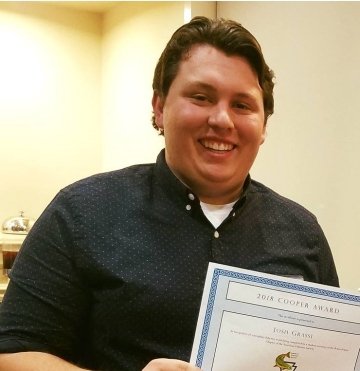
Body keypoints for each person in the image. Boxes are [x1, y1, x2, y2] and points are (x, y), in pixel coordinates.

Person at [0, 16, 338, 371]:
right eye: (201, 97)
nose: (223, 120)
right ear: (159, 107)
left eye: (242, 105)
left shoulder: (302, 232)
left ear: (264, 124)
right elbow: (10, 352)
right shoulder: (82, 212)